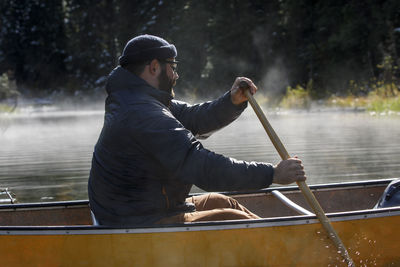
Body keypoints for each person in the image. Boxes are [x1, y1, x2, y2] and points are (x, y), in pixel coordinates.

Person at [88, 34, 306, 226]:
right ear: (154, 67)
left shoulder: (137, 100)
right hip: (136, 222)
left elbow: (193, 118)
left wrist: (232, 102)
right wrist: (273, 173)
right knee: (229, 218)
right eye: (172, 67)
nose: (176, 75)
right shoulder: (142, 113)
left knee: (221, 202)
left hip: (144, 210)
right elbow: (202, 167)